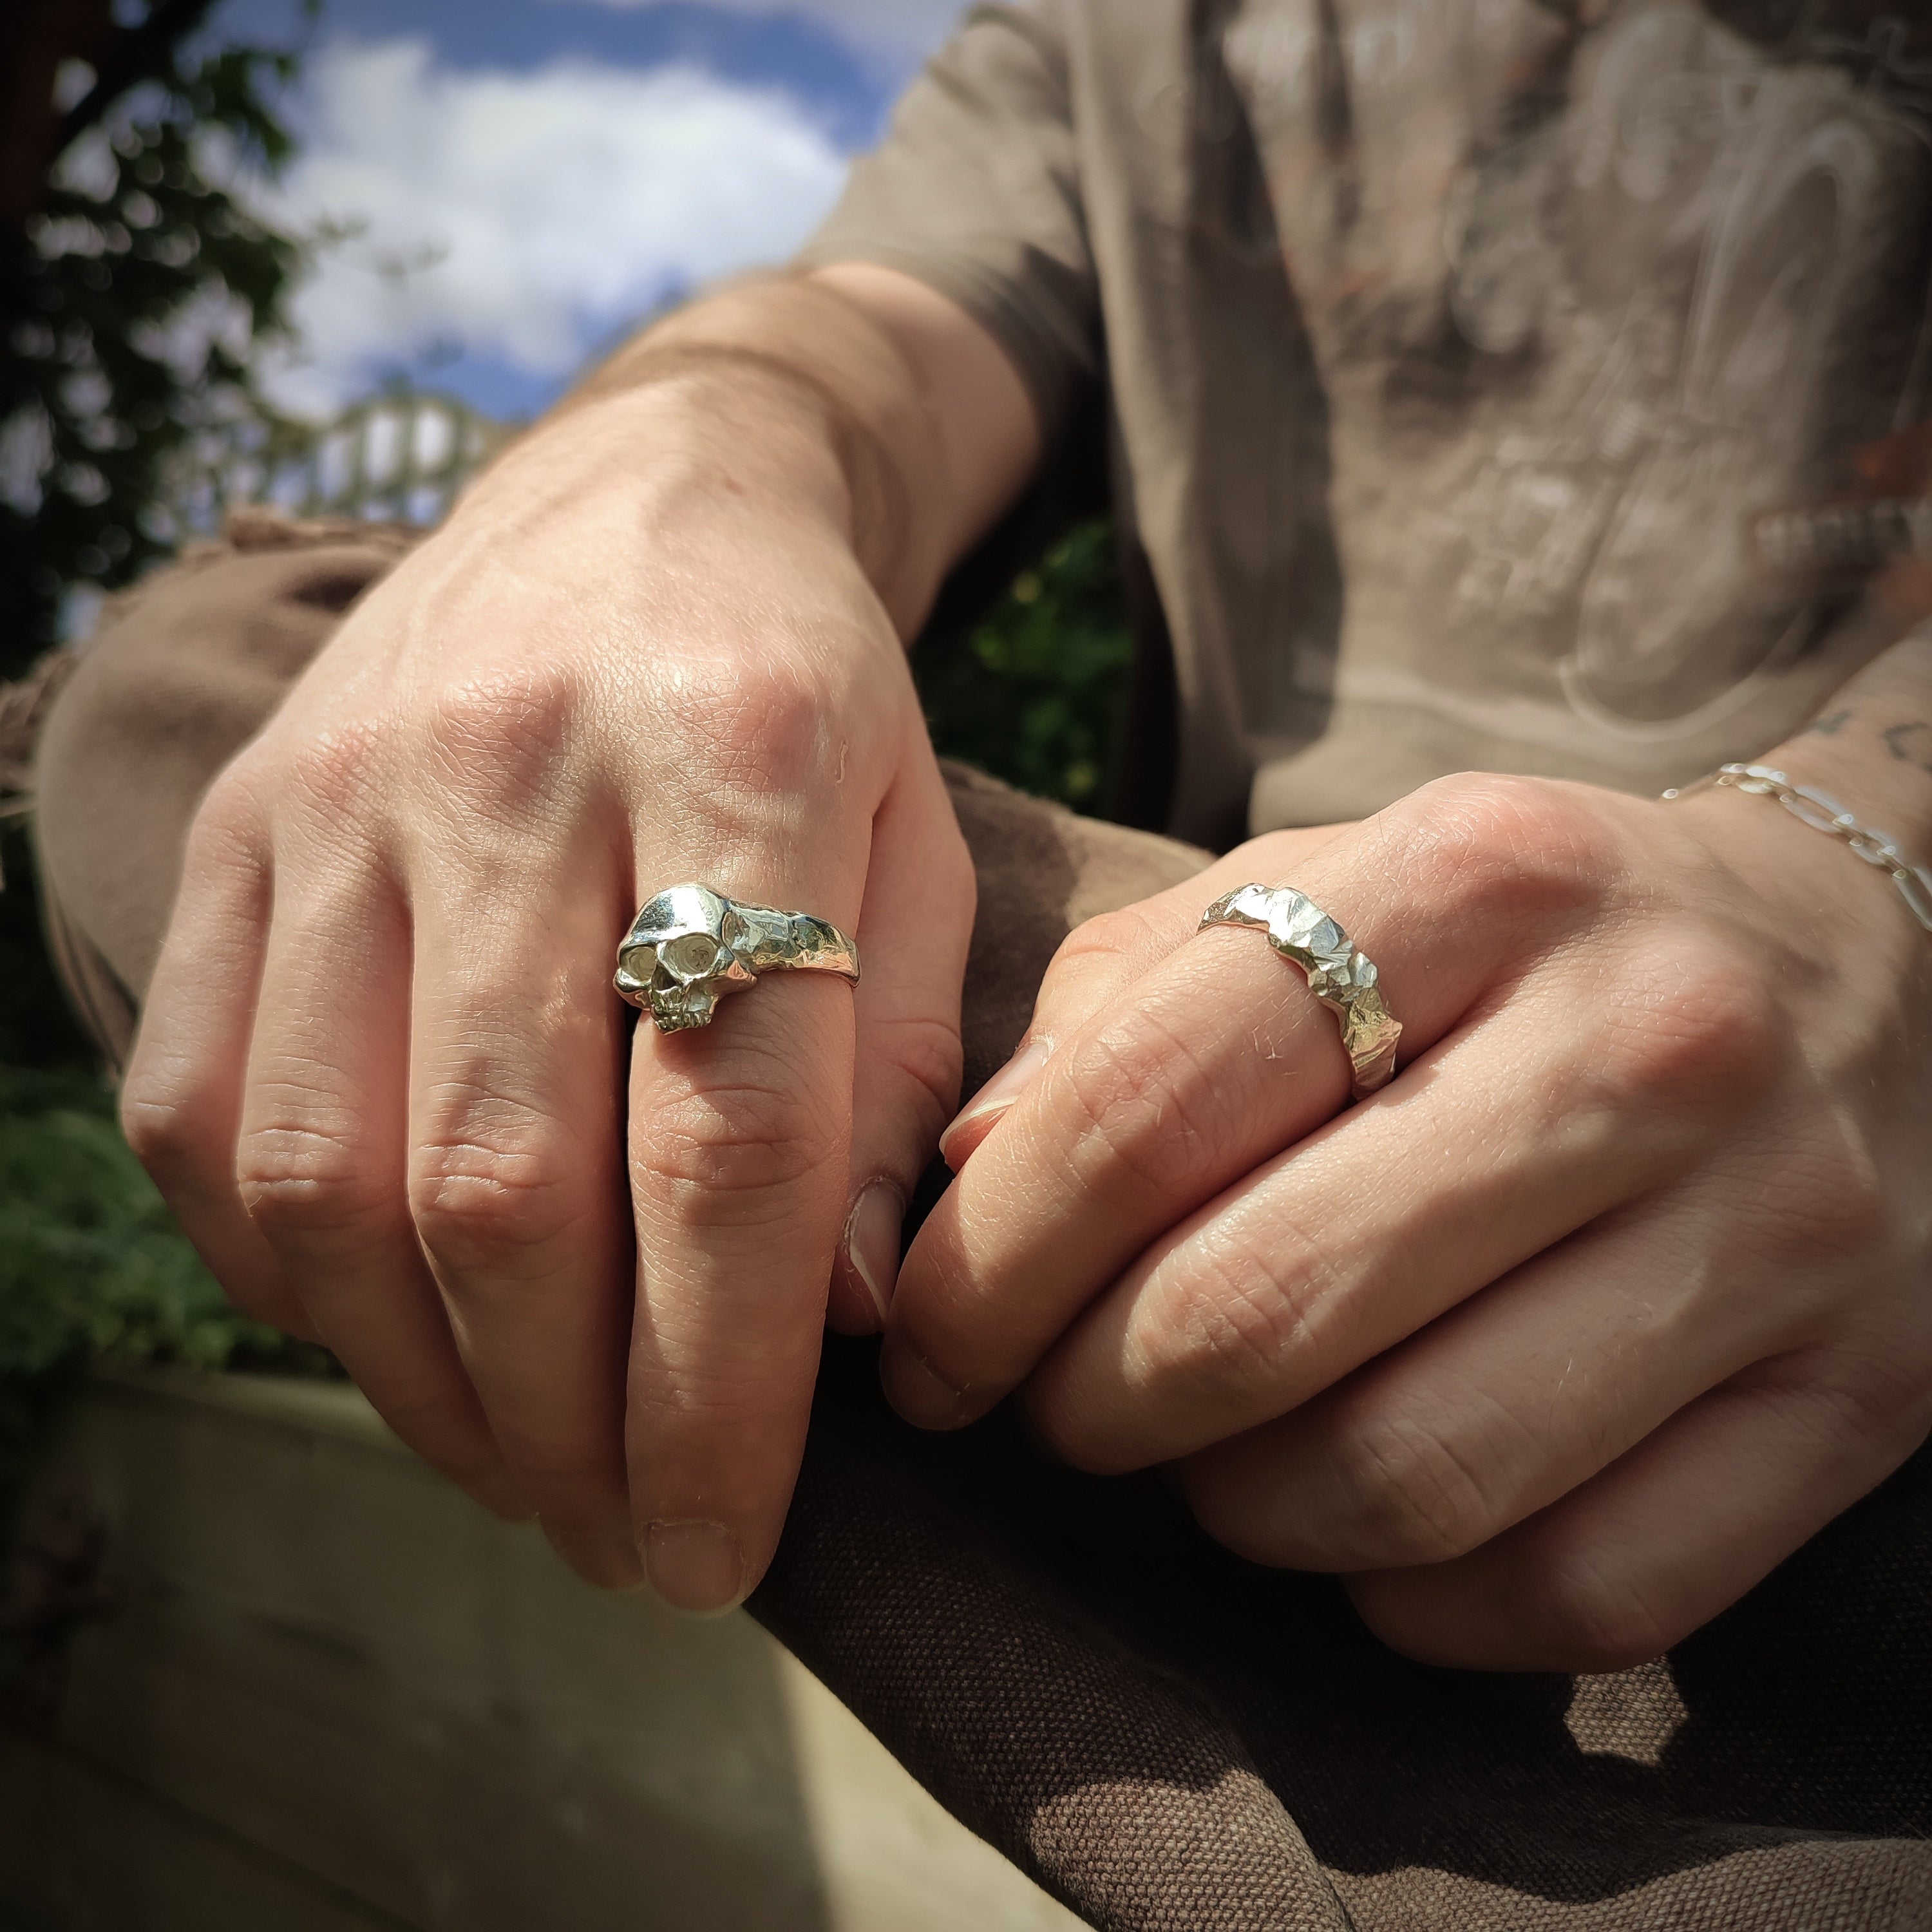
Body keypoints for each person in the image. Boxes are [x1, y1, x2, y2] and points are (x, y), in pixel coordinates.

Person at [26, 1, 1932, 1922]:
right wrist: (679, 452)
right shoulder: (1130, 34)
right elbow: (874, 334)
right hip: (1174, 1074)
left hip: (1848, 1136)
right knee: (251, 701)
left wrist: (1874, 888)